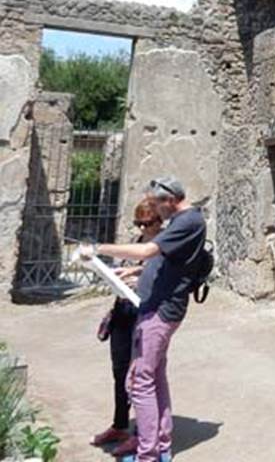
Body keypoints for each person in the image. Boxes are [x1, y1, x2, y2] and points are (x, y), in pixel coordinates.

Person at [81, 177, 206, 462]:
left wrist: (99, 248)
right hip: (156, 307)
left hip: (161, 312)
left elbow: (148, 251)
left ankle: (147, 453)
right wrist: (136, 274)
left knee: (140, 381)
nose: (155, 213)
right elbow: (167, 265)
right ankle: (160, 443)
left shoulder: (187, 222)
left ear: (171, 200)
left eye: (157, 205)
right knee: (155, 377)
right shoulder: (182, 221)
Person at [90, 198, 163, 458]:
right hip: (123, 309)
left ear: (159, 221)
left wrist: (134, 274)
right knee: (119, 371)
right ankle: (120, 425)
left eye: (148, 223)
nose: (143, 228)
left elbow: (158, 273)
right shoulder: (138, 241)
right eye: (138, 223)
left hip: (144, 313)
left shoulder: (163, 243)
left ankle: (141, 435)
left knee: (141, 377)